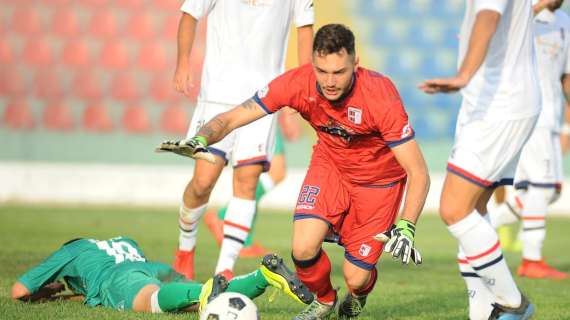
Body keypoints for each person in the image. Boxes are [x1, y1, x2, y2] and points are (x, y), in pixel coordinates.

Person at [160, 24, 430, 320]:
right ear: (312, 63)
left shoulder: (380, 95)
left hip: (378, 184)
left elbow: (418, 172)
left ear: (356, 63)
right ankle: (325, 300)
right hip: (331, 167)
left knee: (357, 277)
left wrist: (407, 225)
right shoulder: (297, 83)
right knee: (302, 249)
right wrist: (202, 138)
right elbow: (234, 116)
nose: (329, 81)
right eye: (321, 71)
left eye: (339, 72)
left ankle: (357, 296)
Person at [172, 0, 314, 280]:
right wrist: (183, 62)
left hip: (264, 100)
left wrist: (302, 89)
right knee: (202, 183)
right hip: (217, 97)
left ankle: (224, 270)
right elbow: (190, 14)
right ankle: (185, 250)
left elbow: (305, 31)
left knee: (247, 182)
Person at [419, 0, 540, 319]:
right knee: (473, 211)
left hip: (499, 107)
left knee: (454, 210)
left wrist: (463, 76)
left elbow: (488, 17)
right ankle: (482, 313)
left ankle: (513, 304)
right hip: (494, 105)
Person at [11, 237, 313, 313]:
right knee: (194, 301)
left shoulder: (72, 250)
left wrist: (46, 292)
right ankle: (262, 276)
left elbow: (19, 291)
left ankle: (204, 294)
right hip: (150, 268)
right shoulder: (121, 240)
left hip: (119, 279)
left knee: (156, 301)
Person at [487, 0, 570, 280]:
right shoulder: (521, 13)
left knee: (538, 192)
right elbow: (495, 34)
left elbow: (566, 77)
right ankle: (532, 259)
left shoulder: (565, 23)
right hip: (528, 112)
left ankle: (478, 230)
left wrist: (567, 126)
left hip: (551, 117)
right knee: (543, 189)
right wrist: (534, 7)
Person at [204, 120, 301, 258]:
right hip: (261, 115)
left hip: (262, 115)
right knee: (274, 172)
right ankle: (225, 218)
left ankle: (244, 239)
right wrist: (289, 117)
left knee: (265, 175)